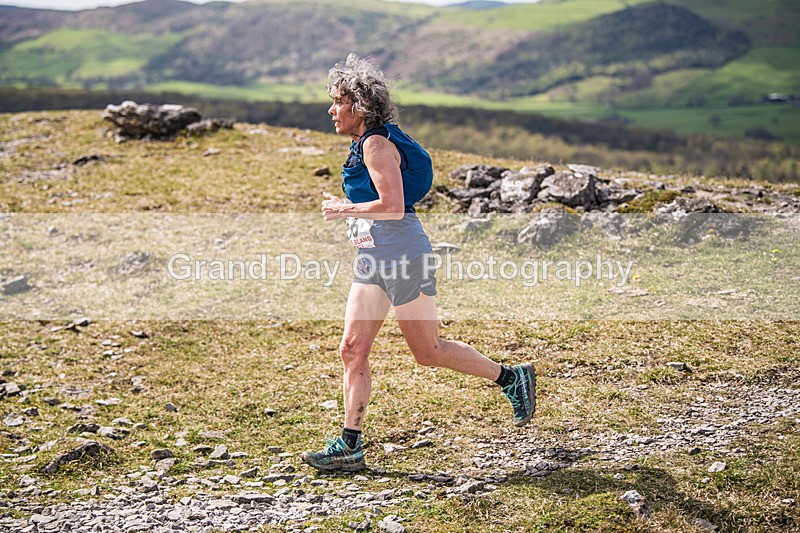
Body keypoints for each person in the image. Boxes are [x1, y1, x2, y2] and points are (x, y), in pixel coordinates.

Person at [301, 54, 536, 472]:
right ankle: (349, 444)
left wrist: (345, 209)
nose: (331, 110)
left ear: (359, 105)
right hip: (373, 257)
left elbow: (393, 207)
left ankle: (511, 378)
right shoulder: (363, 144)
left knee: (428, 351)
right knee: (352, 348)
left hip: (405, 255)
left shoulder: (375, 143)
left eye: (338, 101)